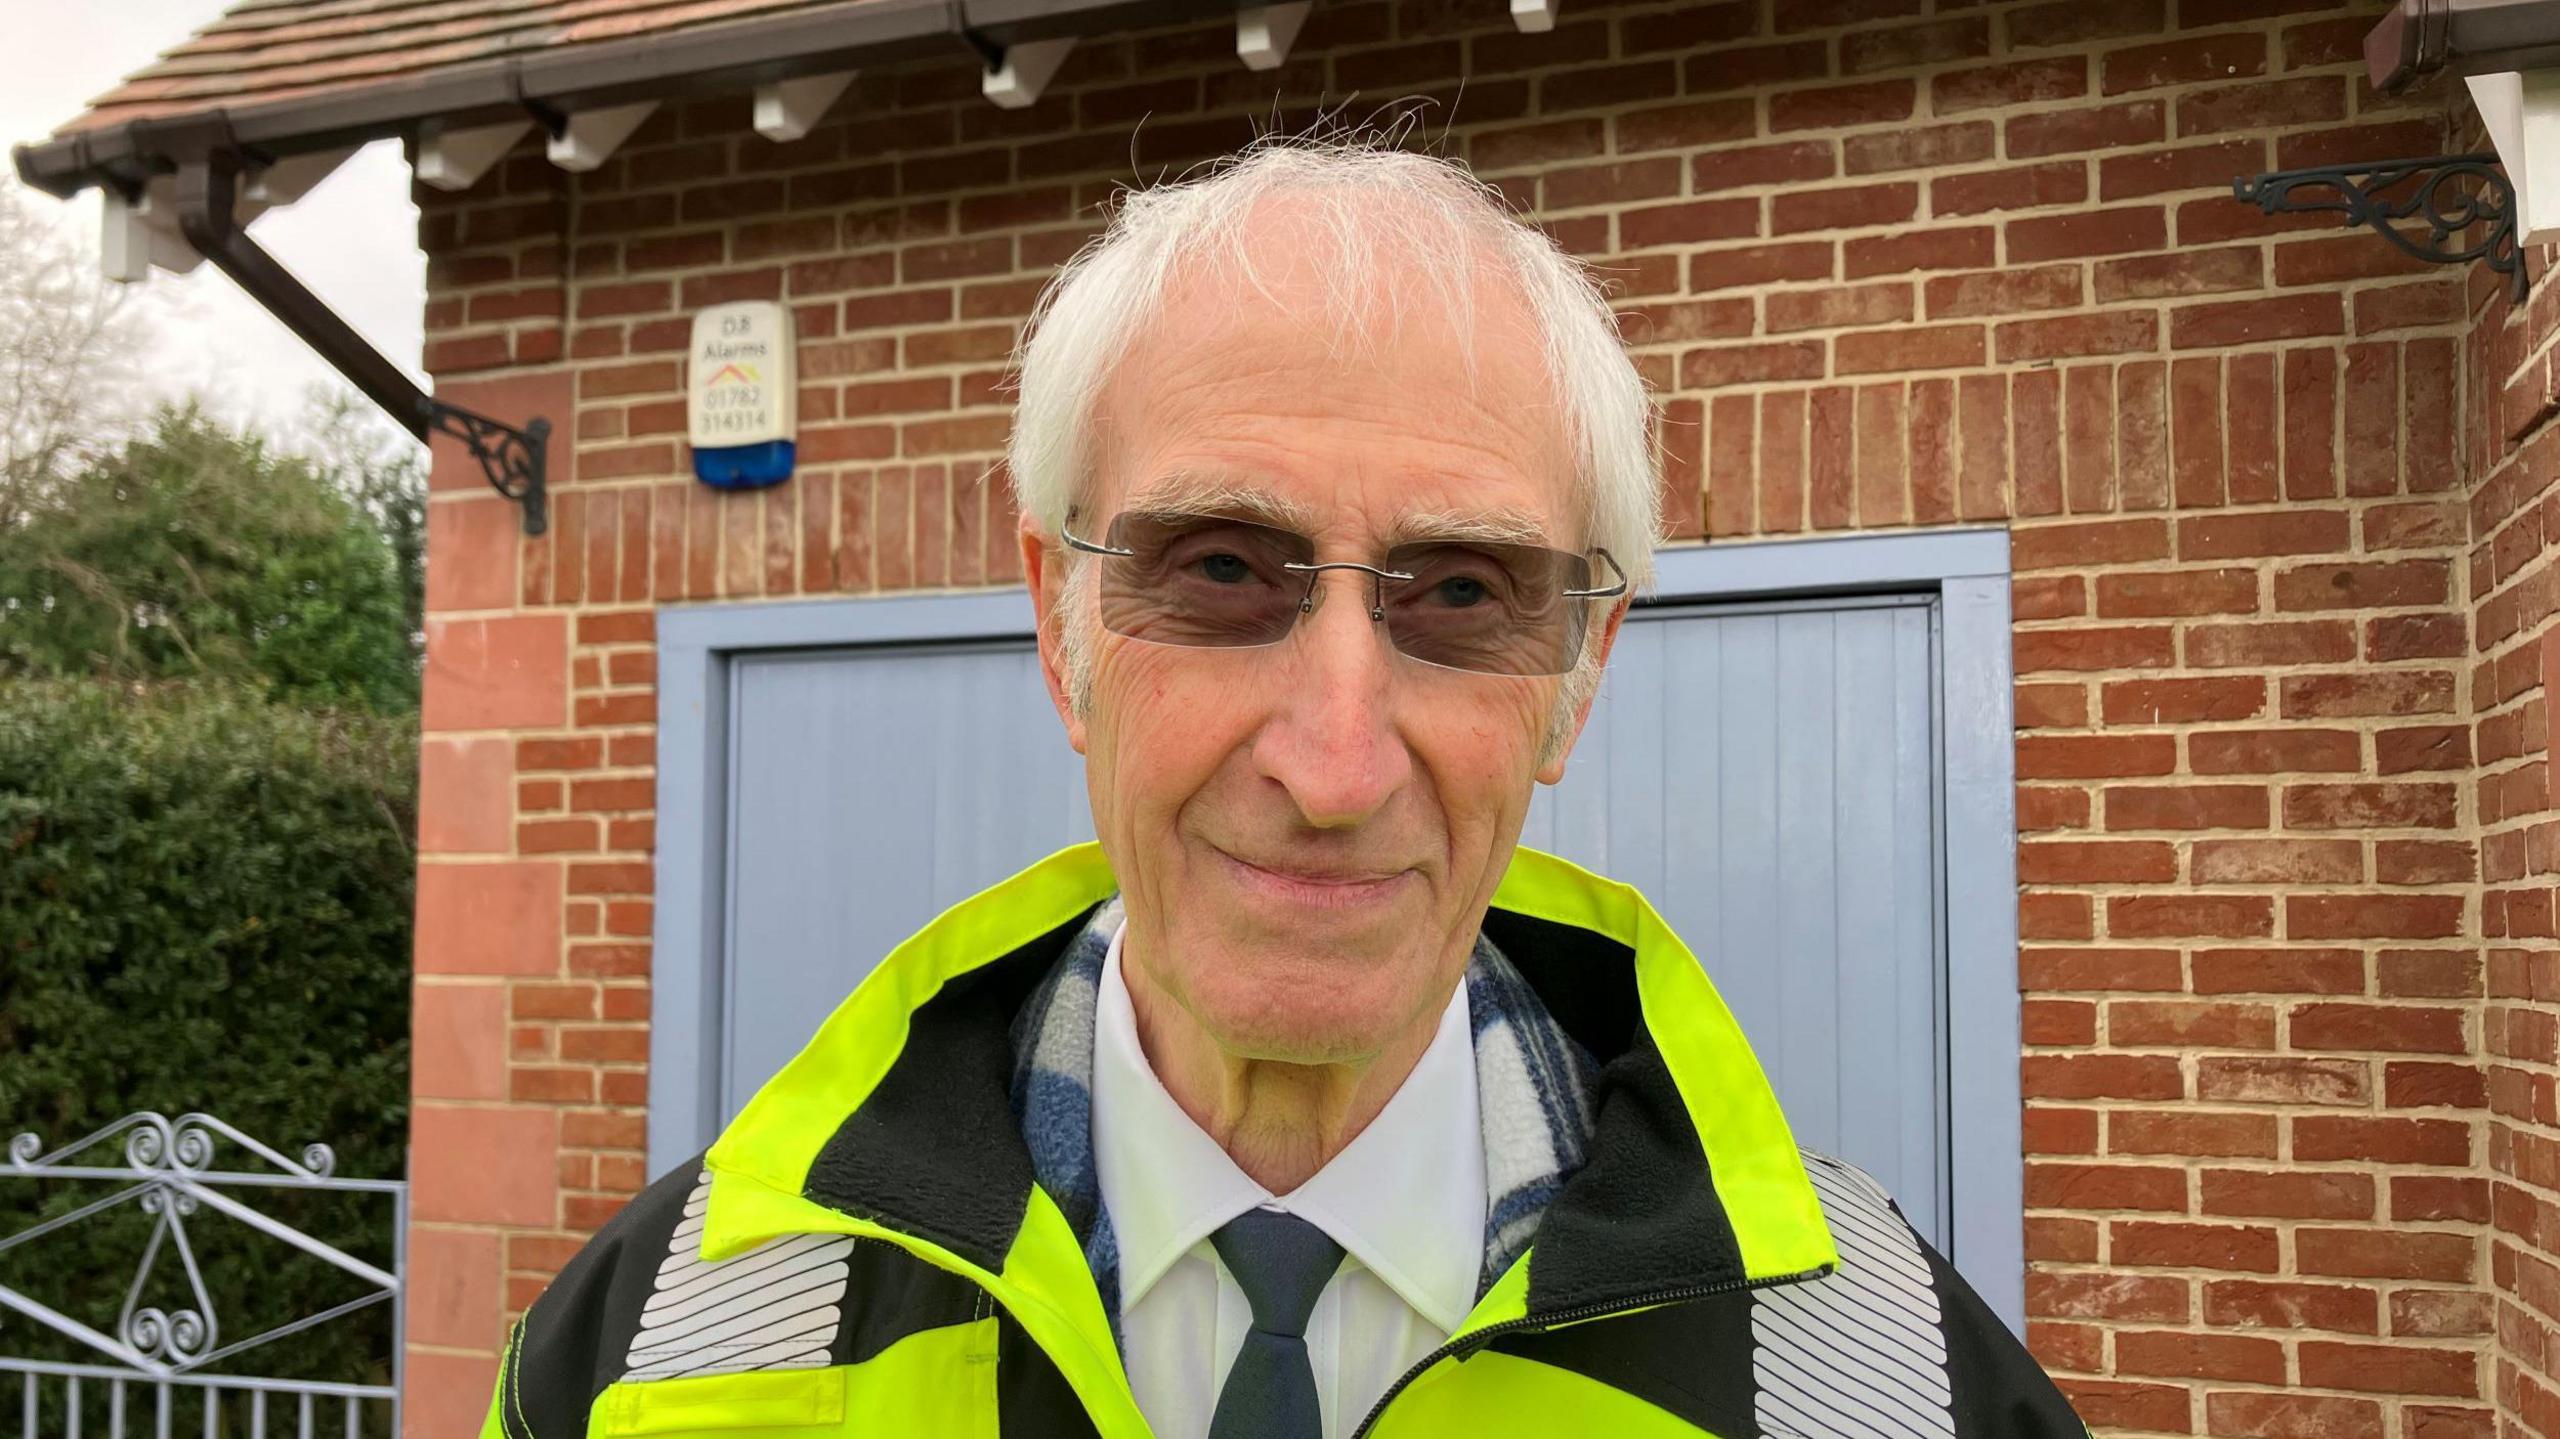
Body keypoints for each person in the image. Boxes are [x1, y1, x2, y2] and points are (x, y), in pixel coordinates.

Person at [481, 138, 2083, 1439]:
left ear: (1580, 672)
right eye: (1225, 568)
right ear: (1060, 627)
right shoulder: (665, 1348)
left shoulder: (1881, 1384)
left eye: (1462, 594)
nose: (1331, 765)